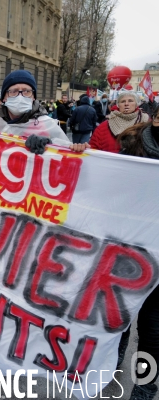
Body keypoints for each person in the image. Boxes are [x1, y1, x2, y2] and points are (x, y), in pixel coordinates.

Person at [113, 107, 159, 400]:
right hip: (128, 246)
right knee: (118, 317)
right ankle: (110, 360)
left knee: (153, 332)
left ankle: (145, 384)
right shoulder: (133, 141)